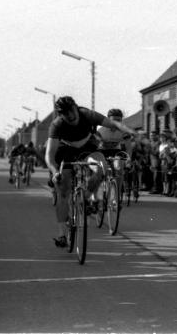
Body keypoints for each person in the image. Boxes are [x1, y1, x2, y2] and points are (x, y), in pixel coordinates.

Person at [45, 96, 135, 247]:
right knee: (63, 190)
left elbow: (112, 123)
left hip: (87, 146)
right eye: (66, 114)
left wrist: (132, 132)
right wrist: (55, 172)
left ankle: (85, 198)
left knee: (102, 168)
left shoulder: (88, 114)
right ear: (61, 115)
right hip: (66, 149)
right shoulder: (57, 125)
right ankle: (62, 235)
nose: (71, 116)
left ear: (76, 107)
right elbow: (49, 155)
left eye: (73, 111)